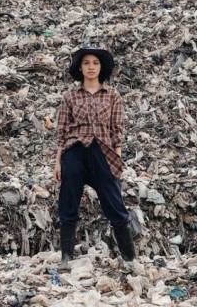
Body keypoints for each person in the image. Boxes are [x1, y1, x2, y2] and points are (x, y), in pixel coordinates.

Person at [54, 44, 135, 271]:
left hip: (103, 152)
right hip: (75, 151)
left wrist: (116, 160)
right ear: (80, 68)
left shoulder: (112, 95)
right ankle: (66, 258)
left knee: (114, 203)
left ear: (101, 68)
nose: (91, 67)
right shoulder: (70, 96)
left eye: (95, 63)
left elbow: (117, 130)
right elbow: (61, 132)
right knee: (68, 202)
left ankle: (130, 257)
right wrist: (58, 161)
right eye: (86, 63)